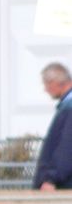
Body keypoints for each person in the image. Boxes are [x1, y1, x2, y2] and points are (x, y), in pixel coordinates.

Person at [32, 62, 72, 190]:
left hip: (63, 186)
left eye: (47, 83)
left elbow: (67, 147)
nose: (46, 89)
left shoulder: (69, 107)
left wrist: (51, 178)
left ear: (56, 82)